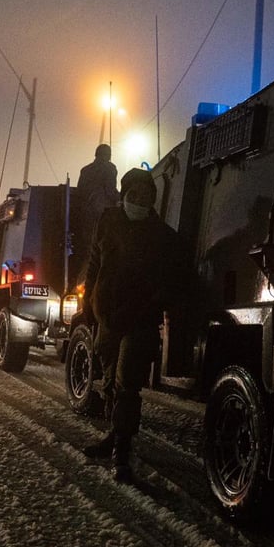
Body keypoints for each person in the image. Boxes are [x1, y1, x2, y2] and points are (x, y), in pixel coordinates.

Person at [81, 168, 189, 484]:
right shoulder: (108, 220)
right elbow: (94, 263)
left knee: (128, 383)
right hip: (106, 318)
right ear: (124, 195)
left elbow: (168, 284)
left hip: (139, 321)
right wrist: (89, 302)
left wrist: (148, 307)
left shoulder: (164, 237)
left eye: (146, 197)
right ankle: (114, 435)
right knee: (109, 380)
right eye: (134, 196)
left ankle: (123, 452)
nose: (140, 202)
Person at [72, 144, 119, 286]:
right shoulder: (110, 168)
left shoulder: (85, 170)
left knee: (87, 251)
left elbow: (80, 193)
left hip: (85, 216)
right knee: (101, 252)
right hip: (101, 216)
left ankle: (77, 283)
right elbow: (111, 191)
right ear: (108, 155)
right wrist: (123, 198)